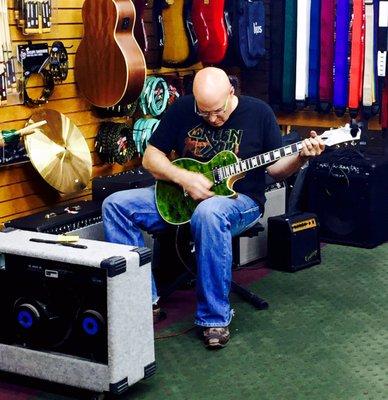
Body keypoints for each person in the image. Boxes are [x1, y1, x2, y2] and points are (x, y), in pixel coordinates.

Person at [102, 67, 325, 349]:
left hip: (240, 202)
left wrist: (300, 159)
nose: (212, 119)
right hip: (182, 195)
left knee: (210, 212)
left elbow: (278, 171)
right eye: (204, 112)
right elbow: (150, 157)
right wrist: (185, 178)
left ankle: (214, 318)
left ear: (231, 92)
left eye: (218, 111)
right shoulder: (183, 108)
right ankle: (144, 301)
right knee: (116, 206)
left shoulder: (259, 113)